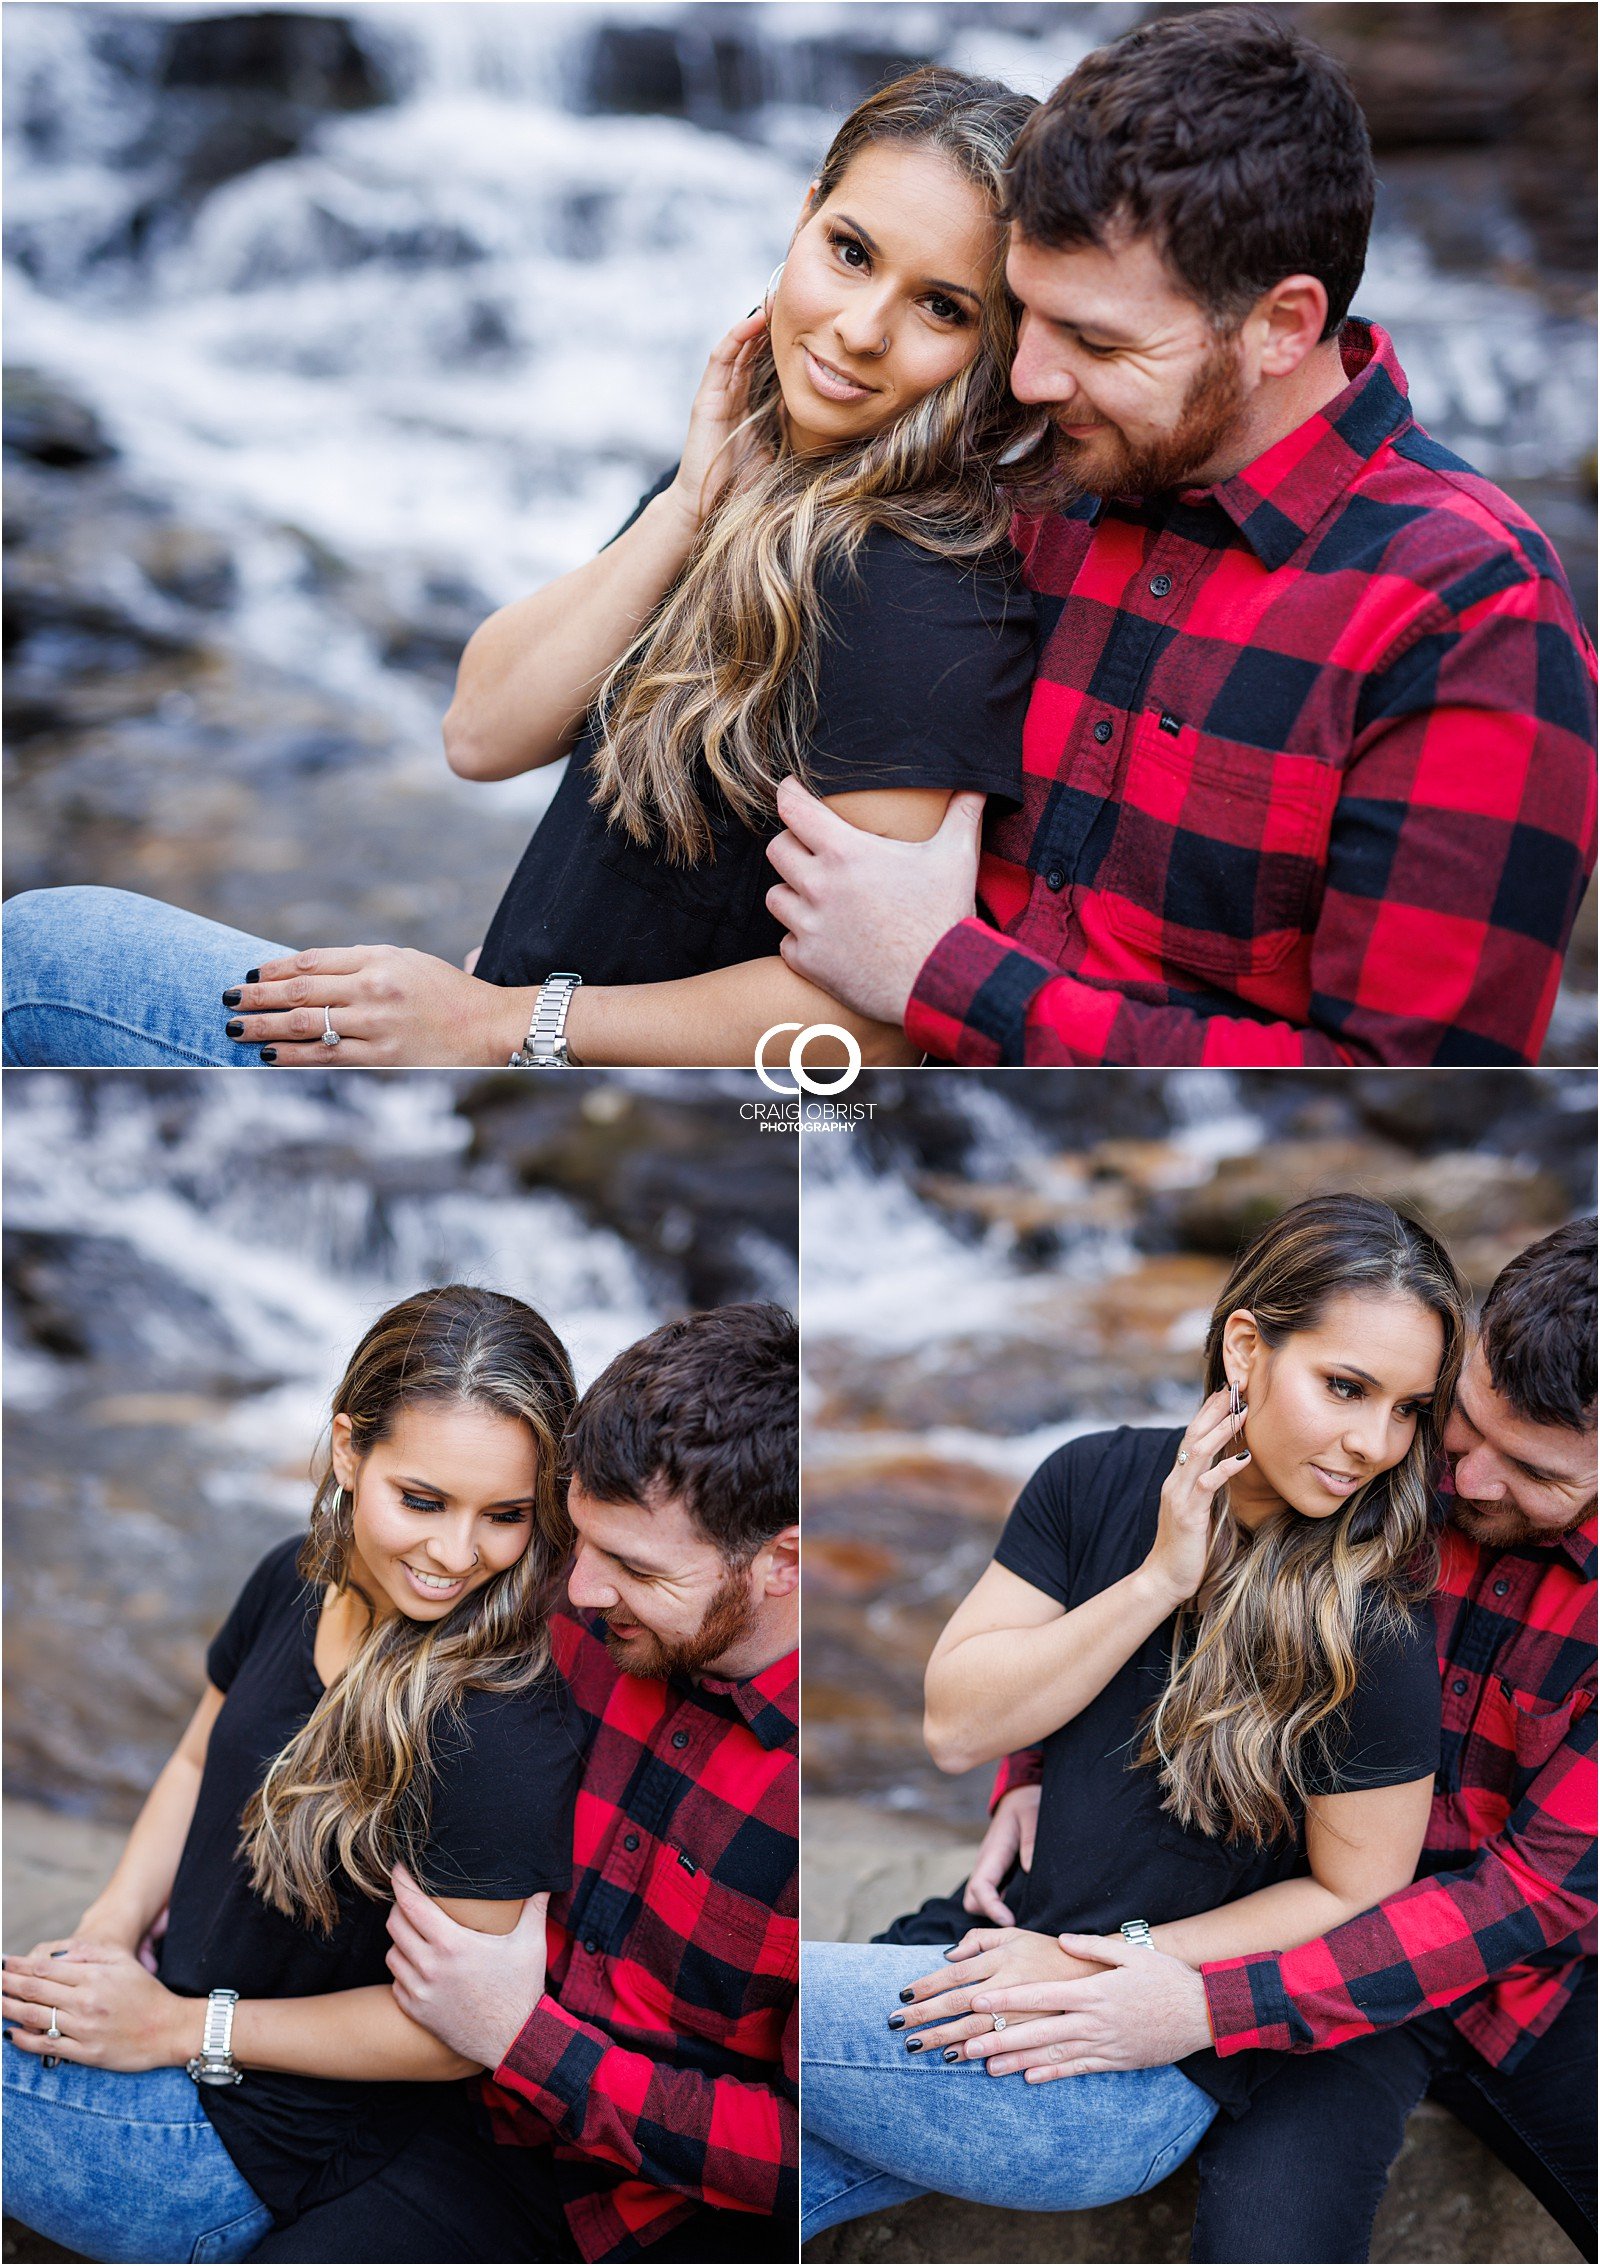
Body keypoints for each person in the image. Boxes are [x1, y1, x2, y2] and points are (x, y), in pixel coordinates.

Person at [2, 67, 1046, 1073]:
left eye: (942, 308)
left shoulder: (925, 595)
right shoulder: (743, 469)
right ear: (803, 214)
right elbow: (481, 731)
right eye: (850, 252)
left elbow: (865, 1028)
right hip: (501, 1042)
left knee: (43, 961)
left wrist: (502, 1024)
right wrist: (687, 503)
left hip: (567, 1081)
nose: (859, 332)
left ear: (998, 347)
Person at [767, 9, 1599, 1068]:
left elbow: (1415, 1099)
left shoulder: (1471, 613)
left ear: (1280, 327)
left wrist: (941, 974)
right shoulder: (1047, 465)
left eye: (1097, 340)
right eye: (1026, 315)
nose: (1028, 380)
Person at [800, 1194, 1470, 2239]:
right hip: (990, 1947)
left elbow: (1357, 1888)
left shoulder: (1369, 1618)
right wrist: (1157, 1579)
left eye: (1405, 1409)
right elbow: (955, 1726)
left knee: (720, 1996)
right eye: (1344, 1387)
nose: (1372, 1443)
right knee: (717, 2162)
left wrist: (1105, 1954)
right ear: (1245, 1347)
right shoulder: (1092, 1477)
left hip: (1123, 2056)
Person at [946, 1216, 1597, 2264]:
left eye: (1532, 1472)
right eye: (1461, 1424)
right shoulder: (1370, 1447)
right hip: (1295, 1920)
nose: (1461, 1480)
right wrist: (1035, 1764)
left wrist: (1200, 2000)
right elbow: (1173, 1596)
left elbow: (1538, 1890)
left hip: (1526, 1983)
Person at [0, 1286, 585, 2264]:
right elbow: (195, 1758)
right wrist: (102, 1935)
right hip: (164, 2018)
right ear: (349, 1448)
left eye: (506, 1515)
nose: (454, 1555)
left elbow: (448, 2034)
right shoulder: (294, 1575)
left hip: (249, 2145)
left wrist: (179, 2026)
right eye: (423, 1499)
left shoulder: (500, 1725)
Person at [240, 1301, 800, 2263]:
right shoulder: (571, 1608)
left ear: (782, 1562)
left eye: (629, 1566)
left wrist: (518, 2036)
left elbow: (797, 2149)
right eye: (572, 1537)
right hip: (471, 2141)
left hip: (667, 2213)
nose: (576, 1591)